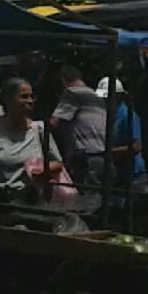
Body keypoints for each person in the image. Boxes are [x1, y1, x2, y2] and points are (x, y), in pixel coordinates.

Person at [0, 78, 63, 204]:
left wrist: (42, 170)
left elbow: (58, 163)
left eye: (32, 96)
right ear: (8, 100)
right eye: (24, 97)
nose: (30, 101)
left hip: (31, 202)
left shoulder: (39, 129)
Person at [49, 64, 109, 211]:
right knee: (96, 199)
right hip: (102, 156)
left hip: (84, 157)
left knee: (83, 203)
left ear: (63, 81)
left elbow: (54, 123)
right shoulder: (96, 97)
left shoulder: (73, 93)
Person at [97, 77, 148, 221]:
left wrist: (110, 153)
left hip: (133, 177)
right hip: (117, 175)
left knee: (131, 217)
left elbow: (136, 146)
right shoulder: (107, 116)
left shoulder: (128, 115)